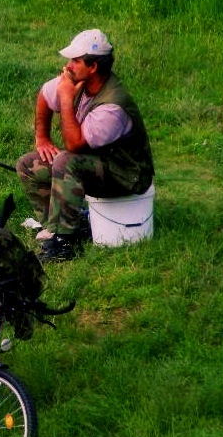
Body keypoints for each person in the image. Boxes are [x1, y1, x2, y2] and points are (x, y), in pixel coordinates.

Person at [15, 29, 154, 263]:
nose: (68, 66)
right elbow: (44, 96)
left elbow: (74, 145)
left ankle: (64, 243)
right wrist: (42, 138)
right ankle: (59, 225)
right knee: (28, 165)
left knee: (66, 162)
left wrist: (66, 98)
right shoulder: (77, 81)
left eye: (75, 61)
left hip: (125, 175)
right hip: (97, 163)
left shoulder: (113, 106)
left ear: (93, 67)